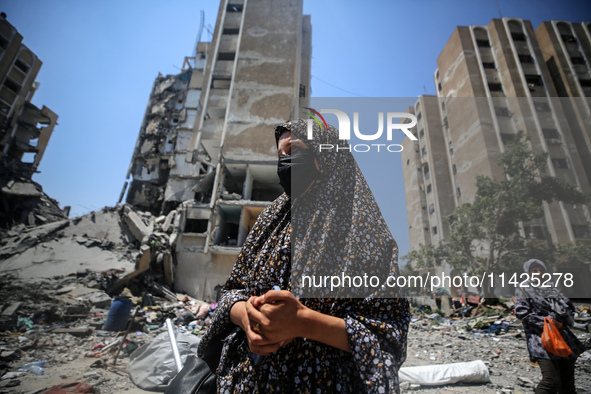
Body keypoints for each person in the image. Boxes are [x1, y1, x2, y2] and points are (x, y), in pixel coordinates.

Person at [197, 119, 410, 393]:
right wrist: (244, 315)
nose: (285, 162)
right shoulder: (270, 220)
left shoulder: (365, 232)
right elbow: (233, 291)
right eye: (280, 155)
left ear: (327, 156)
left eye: (294, 150)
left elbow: (388, 335)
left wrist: (303, 322)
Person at [514, 259, 585, 394]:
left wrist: (566, 310)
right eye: (534, 270)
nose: (538, 273)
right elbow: (522, 313)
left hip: (563, 337)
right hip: (541, 339)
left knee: (567, 383)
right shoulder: (524, 289)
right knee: (551, 381)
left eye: (541, 270)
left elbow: (567, 308)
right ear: (528, 273)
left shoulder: (552, 288)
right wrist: (550, 323)